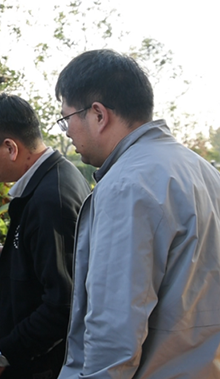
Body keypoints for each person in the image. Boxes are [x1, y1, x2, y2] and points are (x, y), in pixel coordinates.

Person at [55, 49, 220, 378]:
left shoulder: (126, 185)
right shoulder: (202, 170)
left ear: (98, 115)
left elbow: (113, 333)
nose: (67, 131)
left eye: (66, 118)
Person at [0, 93, 90, 379]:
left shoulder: (50, 200)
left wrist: (2, 354)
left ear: (11, 148)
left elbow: (62, 304)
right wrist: (14, 257)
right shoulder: (58, 177)